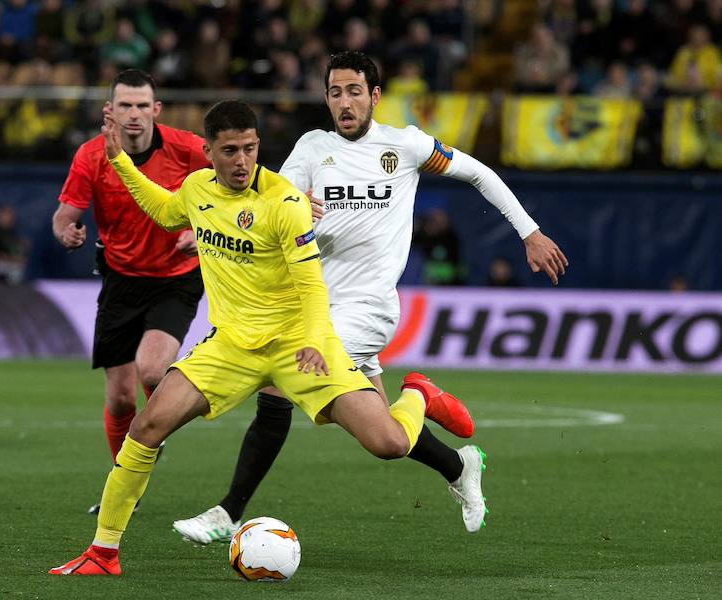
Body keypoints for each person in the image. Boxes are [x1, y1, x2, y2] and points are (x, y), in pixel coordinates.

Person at [48, 99, 473, 576]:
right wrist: (121, 163)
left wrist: (314, 338)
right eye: (230, 151)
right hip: (230, 347)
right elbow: (165, 211)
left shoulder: (285, 202)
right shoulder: (196, 190)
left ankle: (417, 394)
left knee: (389, 444)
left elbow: (311, 283)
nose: (242, 161)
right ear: (208, 151)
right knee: (147, 426)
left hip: (299, 344)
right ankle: (103, 553)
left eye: (250, 149)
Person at [173, 51, 568, 543]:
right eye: (335, 93)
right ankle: (455, 460)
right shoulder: (313, 148)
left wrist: (528, 232)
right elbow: (272, 202)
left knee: (277, 383)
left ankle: (227, 513)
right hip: (313, 302)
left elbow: (479, 174)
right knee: (384, 439)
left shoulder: (405, 146)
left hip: (367, 309)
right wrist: (287, 211)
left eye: (354, 91)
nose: (345, 102)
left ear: (375, 96)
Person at [52, 69, 207, 513]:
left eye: (143, 105)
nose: (135, 114)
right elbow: (65, 214)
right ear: (110, 111)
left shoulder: (189, 149)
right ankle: (127, 484)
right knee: (120, 396)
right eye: (126, 106)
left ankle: (150, 438)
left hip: (176, 276)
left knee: (153, 370)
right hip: (120, 279)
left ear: (156, 110)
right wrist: (66, 232)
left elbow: (239, 184)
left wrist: (201, 226)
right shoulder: (90, 156)